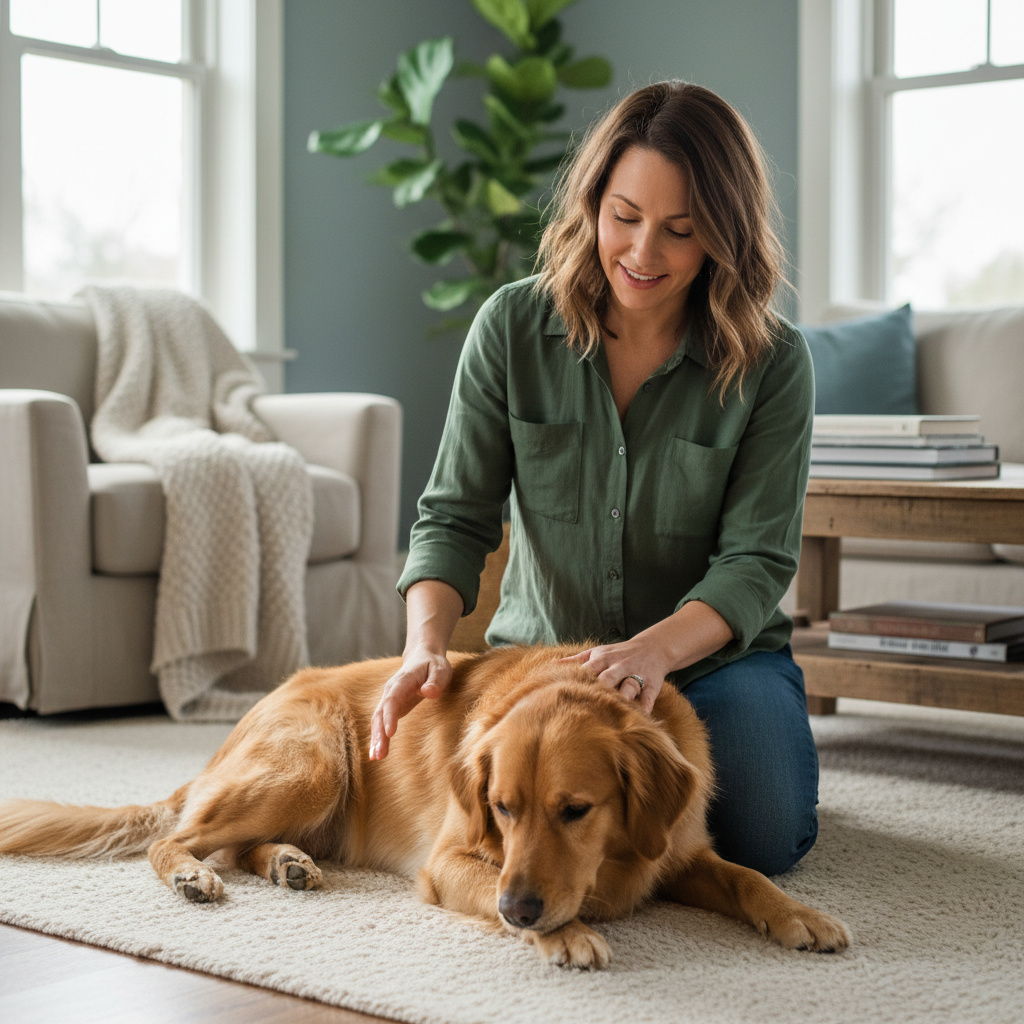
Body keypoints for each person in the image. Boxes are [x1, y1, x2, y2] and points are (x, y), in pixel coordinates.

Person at [370, 81, 818, 877]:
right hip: (545, 669)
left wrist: (651, 655)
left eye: (681, 231)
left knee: (764, 835)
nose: (643, 255)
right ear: (592, 204)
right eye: (625, 217)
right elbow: (452, 516)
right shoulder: (511, 327)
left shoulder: (773, 362)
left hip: (709, 665)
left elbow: (757, 561)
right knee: (488, 826)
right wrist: (424, 644)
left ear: (726, 235)